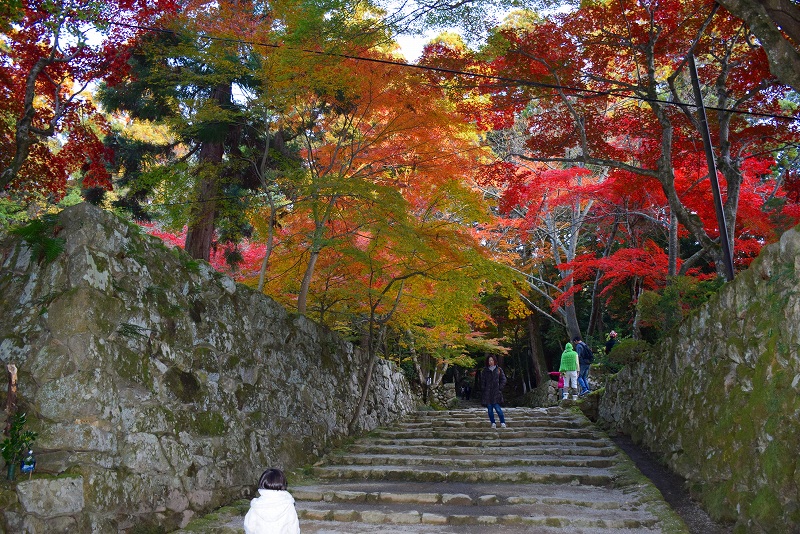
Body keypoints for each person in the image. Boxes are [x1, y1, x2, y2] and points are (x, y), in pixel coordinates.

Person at [243, 468, 300, 534]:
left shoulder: (256, 505)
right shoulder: (288, 503)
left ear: (262, 482)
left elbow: (249, 526)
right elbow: (293, 527)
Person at [481, 355, 507, 429]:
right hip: (488, 393)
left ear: (494, 361)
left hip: (496, 392)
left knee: (498, 409)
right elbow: (483, 381)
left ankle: (502, 422)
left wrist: (500, 388)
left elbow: (503, 379)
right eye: (489, 361)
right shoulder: (485, 371)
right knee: (490, 410)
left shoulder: (499, 369)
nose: (490, 362)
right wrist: (484, 389)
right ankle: (493, 423)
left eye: (492, 360)